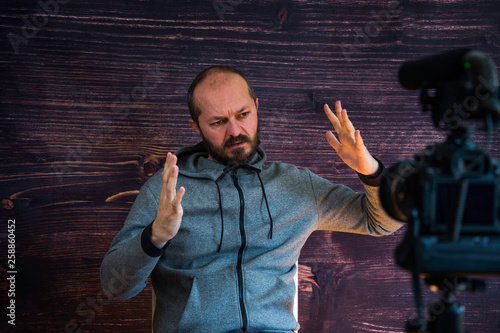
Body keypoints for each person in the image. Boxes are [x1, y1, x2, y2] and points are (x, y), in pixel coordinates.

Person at [100, 65, 403, 333]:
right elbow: (114, 287)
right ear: (196, 126)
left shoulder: (297, 186)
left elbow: (381, 223)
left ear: (257, 107)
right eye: (218, 122)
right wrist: (155, 237)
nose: (235, 131)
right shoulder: (165, 190)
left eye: (243, 115)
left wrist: (372, 172)